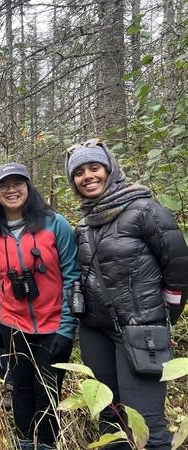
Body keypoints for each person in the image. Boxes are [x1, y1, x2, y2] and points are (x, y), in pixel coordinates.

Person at [65, 139, 188, 449]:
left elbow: (179, 267)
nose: (87, 176)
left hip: (141, 330)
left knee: (146, 427)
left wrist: (162, 316)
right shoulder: (85, 224)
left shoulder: (145, 209)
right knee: (111, 420)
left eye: (94, 167)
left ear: (110, 170)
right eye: (79, 172)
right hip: (96, 331)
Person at [0, 162, 80, 450]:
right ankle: (23, 443)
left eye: (17, 183)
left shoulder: (54, 224)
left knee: (48, 391)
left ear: (28, 187)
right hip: (13, 326)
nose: (11, 190)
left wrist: (67, 329)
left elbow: (72, 276)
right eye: (4, 185)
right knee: (20, 390)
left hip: (54, 324)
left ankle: (46, 444)